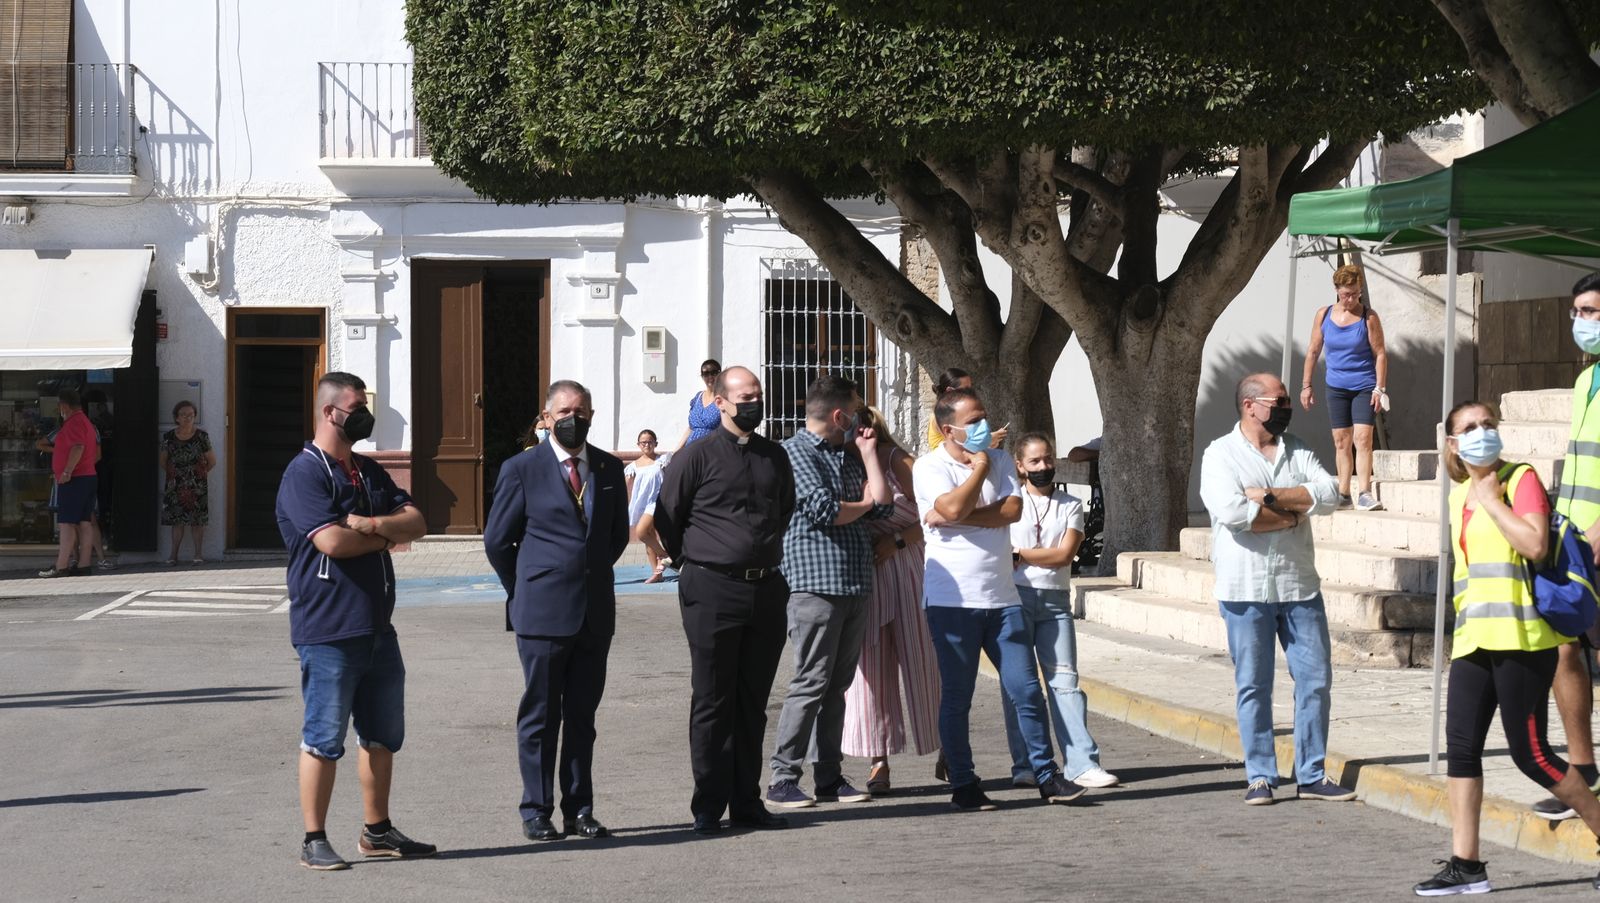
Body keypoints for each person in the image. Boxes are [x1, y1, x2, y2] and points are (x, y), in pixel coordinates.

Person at [1413, 400, 1600, 895]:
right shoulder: (1457, 493)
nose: (1482, 432)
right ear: (1452, 443)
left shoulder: (1521, 480)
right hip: (1474, 639)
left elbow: (1535, 545)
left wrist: (1494, 502)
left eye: (1488, 424)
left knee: (1531, 755)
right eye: (1470, 427)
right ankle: (1466, 865)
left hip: (1522, 639)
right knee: (1461, 751)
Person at [274, 372, 434, 870]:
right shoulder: (304, 474)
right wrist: (386, 538)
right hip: (328, 629)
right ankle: (313, 840)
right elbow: (332, 543)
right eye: (356, 406)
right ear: (329, 412)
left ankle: (377, 831)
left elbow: (418, 522)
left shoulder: (366, 470)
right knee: (323, 738)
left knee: (382, 736)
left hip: (378, 628)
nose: (364, 414)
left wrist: (372, 524)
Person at [915, 386, 1084, 811]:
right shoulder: (930, 467)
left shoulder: (1004, 460)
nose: (983, 426)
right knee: (958, 696)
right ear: (948, 430)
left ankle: (1046, 775)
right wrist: (978, 470)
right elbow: (950, 508)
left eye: (983, 416)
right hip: (952, 602)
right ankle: (964, 783)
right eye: (972, 421)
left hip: (1003, 599)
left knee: (1026, 690)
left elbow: (1011, 511)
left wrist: (959, 515)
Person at [485, 380, 630, 844]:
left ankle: (580, 809)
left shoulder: (608, 467)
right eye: (564, 411)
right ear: (546, 418)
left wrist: (587, 573)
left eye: (581, 411)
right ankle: (536, 810)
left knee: (582, 718)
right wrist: (525, 587)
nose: (574, 418)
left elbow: (616, 537)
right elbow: (497, 541)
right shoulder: (521, 468)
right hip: (542, 612)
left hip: (594, 613)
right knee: (541, 716)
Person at [654, 365, 796, 836]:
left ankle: (747, 802)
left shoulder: (774, 455)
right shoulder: (695, 457)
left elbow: (784, 511)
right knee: (713, 699)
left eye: (758, 395)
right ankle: (709, 805)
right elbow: (667, 518)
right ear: (720, 403)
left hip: (766, 590)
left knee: (753, 702)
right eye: (744, 397)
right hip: (712, 588)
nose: (754, 404)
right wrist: (697, 561)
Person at [1199, 372, 1353, 806]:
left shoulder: (1297, 449)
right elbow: (1232, 512)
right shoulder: (1220, 454)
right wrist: (1294, 512)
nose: (1287, 408)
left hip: (1299, 585)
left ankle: (1312, 774)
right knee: (1253, 685)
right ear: (1250, 406)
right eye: (1278, 401)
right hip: (1245, 589)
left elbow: (1330, 493)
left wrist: (1268, 496)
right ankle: (1261, 776)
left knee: (1315, 681)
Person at [765, 375, 892, 810]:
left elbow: (884, 505)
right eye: (855, 411)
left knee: (837, 686)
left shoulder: (849, 454)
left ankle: (829, 776)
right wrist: (862, 505)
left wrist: (870, 456)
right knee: (811, 682)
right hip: (814, 586)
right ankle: (783, 777)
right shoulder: (793, 453)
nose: (861, 419)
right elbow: (824, 510)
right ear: (839, 415)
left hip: (854, 582)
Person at [1002, 433, 1119, 790]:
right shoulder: (1009, 502)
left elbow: (1064, 555)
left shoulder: (1070, 504)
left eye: (1048, 459)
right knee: (1019, 686)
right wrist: (1020, 556)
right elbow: (1002, 552)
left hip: (1055, 602)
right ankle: (1025, 765)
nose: (1044, 466)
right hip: (1014, 598)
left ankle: (1082, 763)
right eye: (1035, 461)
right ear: (1020, 466)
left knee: (1066, 682)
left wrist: (1021, 555)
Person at [842, 406, 943, 795]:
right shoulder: (842, 463)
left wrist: (897, 539)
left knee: (923, 660)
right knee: (870, 667)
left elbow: (935, 514)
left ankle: (947, 747)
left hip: (907, 564)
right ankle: (878, 759)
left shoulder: (897, 460)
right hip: (867, 573)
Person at [1537, 270, 1600, 822]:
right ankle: (1584, 770)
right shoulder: (1586, 380)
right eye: (1577, 312)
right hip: (1574, 538)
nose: (1581, 321)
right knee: (1565, 650)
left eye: (1591, 312)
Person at [1298, 264, 1389, 511]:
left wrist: (1379, 388)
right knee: (1341, 441)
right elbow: (1313, 351)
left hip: (1364, 385)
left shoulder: (1369, 317)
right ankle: (1344, 494)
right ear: (1337, 290)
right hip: (1336, 387)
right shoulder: (1323, 315)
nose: (1351, 299)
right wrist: (1306, 385)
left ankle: (1365, 493)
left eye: (1356, 293)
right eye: (1347, 294)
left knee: (1363, 438)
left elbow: (1380, 353)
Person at [38, 389, 99, 579]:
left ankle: (61, 565)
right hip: (87, 476)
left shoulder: (73, 422)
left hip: (75, 478)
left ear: (64, 406)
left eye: (59, 406)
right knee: (84, 522)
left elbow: (78, 447)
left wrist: (67, 471)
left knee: (66, 522)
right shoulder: (85, 422)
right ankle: (84, 564)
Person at [160, 400, 215, 565]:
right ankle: (173, 555)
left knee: (197, 521)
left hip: (197, 486)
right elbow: (163, 461)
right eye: (183, 415)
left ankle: (198, 555)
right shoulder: (168, 437)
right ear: (176, 418)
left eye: (191, 415)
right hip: (175, 485)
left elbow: (212, 461)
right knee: (177, 521)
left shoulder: (202, 437)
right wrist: (175, 475)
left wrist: (198, 475)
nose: (187, 418)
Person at [924, 368, 1007, 452]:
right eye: (965, 389)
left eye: (970, 389)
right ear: (950, 391)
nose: (970, 393)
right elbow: (957, 447)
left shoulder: (956, 412)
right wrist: (987, 441)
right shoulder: (939, 416)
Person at [625, 429, 669, 582]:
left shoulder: (662, 461)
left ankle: (664, 555)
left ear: (655, 443)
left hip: (657, 502)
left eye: (650, 442)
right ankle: (657, 574)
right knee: (649, 537)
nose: (646, 445)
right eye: (643, 442)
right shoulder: (633, 466)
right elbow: (625, 485)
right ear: (638, 444)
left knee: (641, 532)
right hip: (642, 505)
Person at [672, 359, 724, 453]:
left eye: (713, 373)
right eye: (706, 373)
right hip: (691, 451)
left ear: (720, 374)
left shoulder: (724, 399)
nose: (710, 377)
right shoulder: (698, 397)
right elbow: (691, 428)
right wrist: (676, 452)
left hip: (712, 452)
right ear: (702, 376)